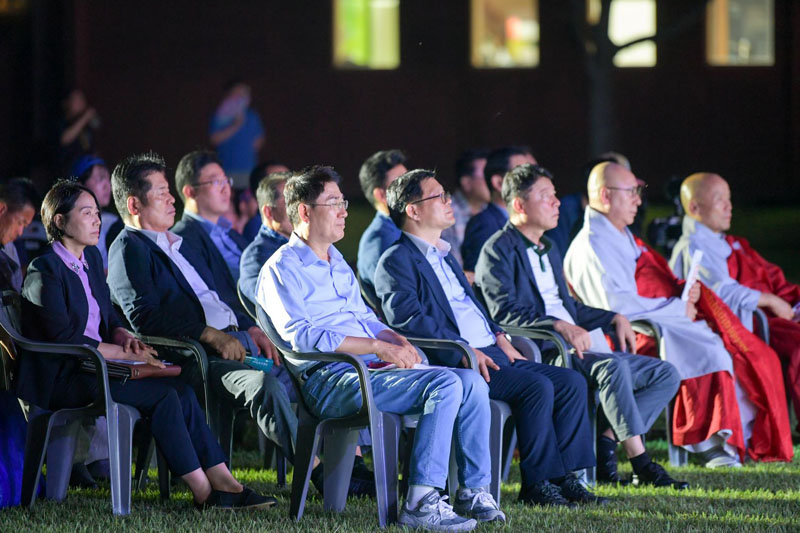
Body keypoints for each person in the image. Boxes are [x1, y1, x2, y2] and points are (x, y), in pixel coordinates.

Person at [258, 166, 505, 530]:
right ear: (305, 211)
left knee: (471, 382)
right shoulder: (281, 268)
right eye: (334, 203)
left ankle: (472, 489)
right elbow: (302, 337)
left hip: (369, 368)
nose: (344, 210)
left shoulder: (336, 261)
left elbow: (361, 315)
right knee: (446, 384)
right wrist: (376, 345)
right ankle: (421, 502)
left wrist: (390, 337)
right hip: (331, 380)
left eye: (343, 202)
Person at [18, 179, 274, 510]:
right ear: (59, 221)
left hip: (95, 367)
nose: (97, 220)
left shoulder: (91, 259)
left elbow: (108, 315)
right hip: (64, 375)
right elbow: (64, 338)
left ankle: (224, 480)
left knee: (179, 390)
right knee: (164, 396)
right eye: (86, 213)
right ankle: (205, 493)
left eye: (98, 212)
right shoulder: (46, 269)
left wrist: (125, 337)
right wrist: (121, 352)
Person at [375, 169, 605, 507]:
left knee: (570, 381)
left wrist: (498, 334)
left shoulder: (444, 255)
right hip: (460, 361)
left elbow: (473, 307)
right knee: (535, 387)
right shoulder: (396, 261)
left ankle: (564, 477)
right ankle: (537, 483)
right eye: (439, 196)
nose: (448, 201)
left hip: (491, 351)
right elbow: (408, 322)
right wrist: (466, 350)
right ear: (413, 209)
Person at [473, 164, 686, 488]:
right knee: (614, 368)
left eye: (556, 195)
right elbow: (504, 312)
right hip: (549, 349)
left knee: (665, 374)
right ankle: (641, 462)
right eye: (546, 196)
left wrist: (613, 318)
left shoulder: (550, 247)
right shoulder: (498, 250)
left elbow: (571, 307)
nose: (557, 202)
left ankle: (606, 441)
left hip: (580, 345)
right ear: (519, 205)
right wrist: (559, 326)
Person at [564, 162, 781, 466]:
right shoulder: (593, 243)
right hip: (621, 338)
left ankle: (717, 435)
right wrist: (677, 307)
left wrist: (681, 294)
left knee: (711, 340)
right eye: (632, 192)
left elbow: (647, 285)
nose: (639, 200)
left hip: (646, 323)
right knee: (705, 345)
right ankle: (703, 439)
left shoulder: (620, 235)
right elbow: (615, 307)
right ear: (606, 195)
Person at [106, 151, 297, 467]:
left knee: (306, 371)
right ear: (134, 205)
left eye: (169, 191)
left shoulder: (173, 246)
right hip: (199, 355)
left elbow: (218, 299)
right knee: (265, 384)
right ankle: (315, 470)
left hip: (234, 343)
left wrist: (247, 327)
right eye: (163, 193)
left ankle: (344, 464)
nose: (172, 200)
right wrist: (212, 335)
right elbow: (144, 318)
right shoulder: (130, 247)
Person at [672, 172, 800, 432]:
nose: (729, 207)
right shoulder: (695, 245)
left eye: (729, 199)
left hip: (761, 318)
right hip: (740, 325)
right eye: (720, 200)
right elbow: (721, 292)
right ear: (695, 207)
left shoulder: (726, 242)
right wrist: (772, 301)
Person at [461, 146, 536, 274]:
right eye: (523, 175)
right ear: (499, 183)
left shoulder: (529, 222)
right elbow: (479, 279)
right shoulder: (484, 224)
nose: (535, 181)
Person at [355, 149, 407, 306]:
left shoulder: (407, 227)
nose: (413, 187)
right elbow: (400, 304)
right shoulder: (378, 241)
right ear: (382, 195)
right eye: (402, 183)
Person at [239, 171, 293, 309]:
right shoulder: (256, 255)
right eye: (290, 202)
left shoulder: (310, 246)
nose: (299, 209)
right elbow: (270, 303)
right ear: (269, 212)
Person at [209, 81, 265, 188]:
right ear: (229, 95)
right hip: (227, 170)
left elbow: (259, 140)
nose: (242, 98)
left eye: (245, 94)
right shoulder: (221, 116)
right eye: (238, 94)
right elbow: (214, 139)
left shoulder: (252, 116)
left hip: (249, 170)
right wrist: (236, 125)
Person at [440, 149, 490, 267]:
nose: (492, 181)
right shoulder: (447, 211)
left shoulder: (490, 211)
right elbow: (454, 266)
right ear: (467, 182)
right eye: (486, 176)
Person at [70, 155, 120, 270]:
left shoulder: (113, 223)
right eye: (100, 179)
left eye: (108, 179)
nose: (108, 185)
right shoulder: (69, 224)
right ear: (80, 184)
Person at [0, 178, 38, 291]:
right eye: (20, 222)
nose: (20, 232)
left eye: (25, 226)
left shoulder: (9, 248)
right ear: (2, 209)